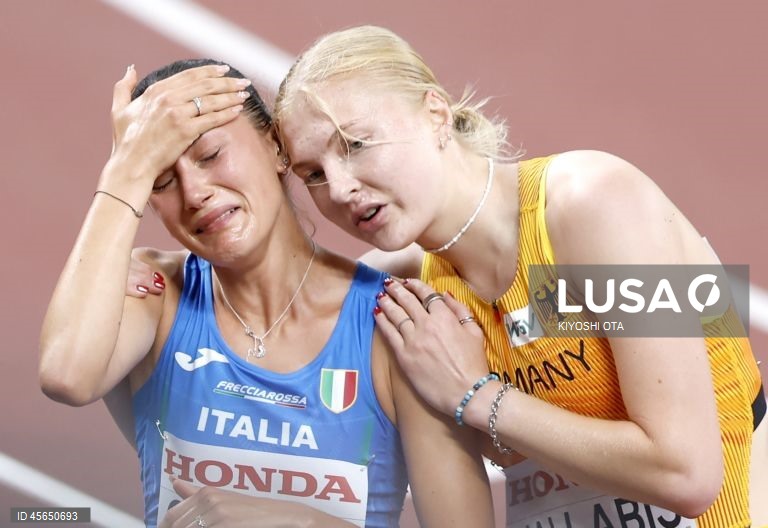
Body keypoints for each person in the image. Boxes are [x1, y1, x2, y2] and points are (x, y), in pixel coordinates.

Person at [130, 26, 765, 527]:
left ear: (435, 113)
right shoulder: (415, 285)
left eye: (355, 143)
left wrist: (477, 398)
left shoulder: (590, 205)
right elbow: (283, 306)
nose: (342, 189)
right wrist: (159, 285)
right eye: (313, 174)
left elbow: (687, 474)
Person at [39, 59, 494, 528]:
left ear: (278, 148)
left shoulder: (395, 326)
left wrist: (305, 524)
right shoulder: (154, 297)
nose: (194, 193)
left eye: (210, 156)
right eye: (161, 180)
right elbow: (66, 376)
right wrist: (125, 169)